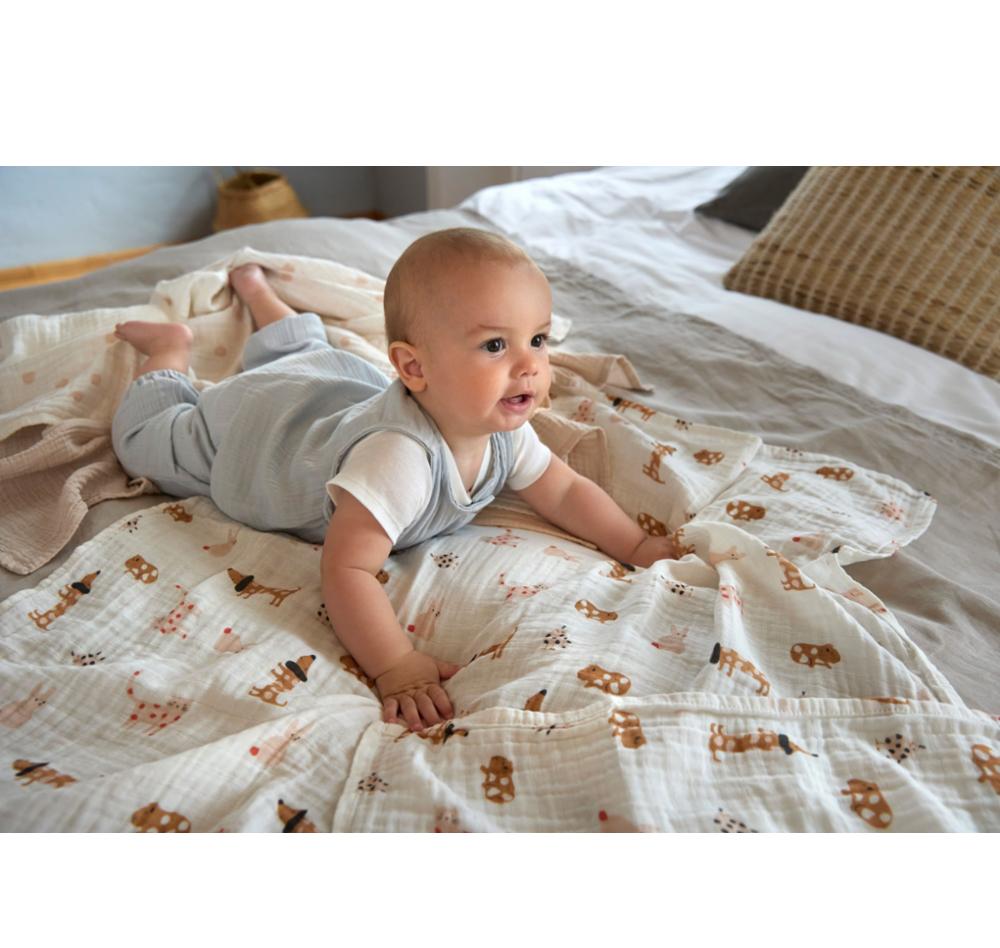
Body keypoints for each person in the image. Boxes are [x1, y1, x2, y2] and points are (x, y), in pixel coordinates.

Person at [111, 228, 677, 732]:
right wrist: (397, 665)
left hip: (330, 389)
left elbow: (565, 489)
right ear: (413, 368)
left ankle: (257, 293)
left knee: (307, 353)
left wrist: (634, 545)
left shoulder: (502, 428)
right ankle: (168, 352)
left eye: (538, 339)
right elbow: (347, 568)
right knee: (145, 443)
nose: (530, 365)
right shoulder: (397, 459)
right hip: (263, 431)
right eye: (495, 345)